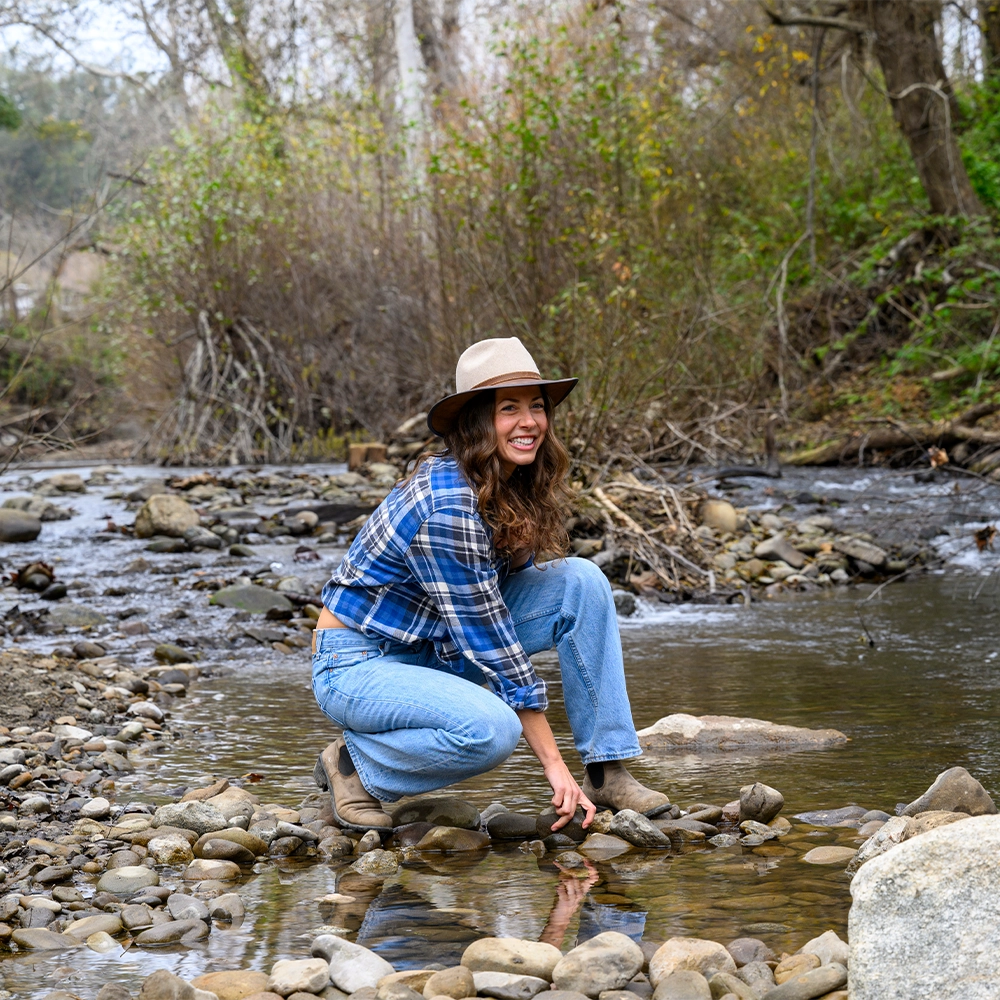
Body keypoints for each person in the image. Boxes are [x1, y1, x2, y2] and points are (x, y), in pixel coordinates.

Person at [311, 336, 669, 833]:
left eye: (537, 407)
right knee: (491, 730)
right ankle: (357, 764)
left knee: (581, 582)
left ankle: (607, 769)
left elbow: (504, 596)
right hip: (358, 664)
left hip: (437, 647)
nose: (529, 422)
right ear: (477, 422)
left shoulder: (506, 479)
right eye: (509, 409)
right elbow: (495, 646)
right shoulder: (447, 506)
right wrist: (552, 767)